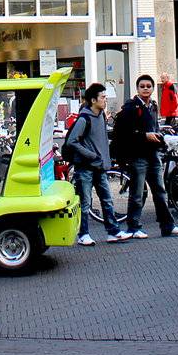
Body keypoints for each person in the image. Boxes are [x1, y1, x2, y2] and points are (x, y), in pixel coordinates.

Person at [112, 75, 178, 240]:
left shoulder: (153, 106)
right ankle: (133, 227)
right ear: (137, 89)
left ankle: (167, 226)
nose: (145, 88)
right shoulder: (130, 108)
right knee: (137, 193)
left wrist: (161, 133)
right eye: (142, 86)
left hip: (153, 154)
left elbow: (153, 126)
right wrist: (145, 136)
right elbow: (125, 133)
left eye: (148, 86)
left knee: (160, 191)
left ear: (152, 88)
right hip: (138, 156)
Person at [63, 84, 121, 245]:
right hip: (86, 167)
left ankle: (113, 231)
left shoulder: (101, 115)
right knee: (85, 202)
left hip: (99, 167)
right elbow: (72, 141)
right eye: (103, 97)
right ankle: (83, 234)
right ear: (93, 100)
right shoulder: (84, 118)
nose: (105, 100)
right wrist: (91, 155)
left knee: (107, 199)